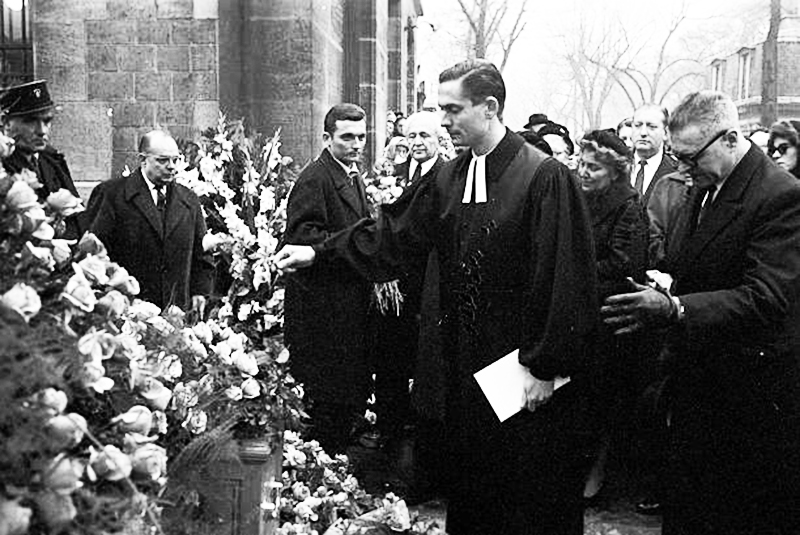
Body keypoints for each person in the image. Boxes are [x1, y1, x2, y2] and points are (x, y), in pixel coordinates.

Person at [275, 59, 599, 535]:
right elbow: (392, 234)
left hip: (524, 376)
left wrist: (545, 365)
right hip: (465, 374)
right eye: (440, 109)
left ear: (489, 108)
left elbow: (565, 278)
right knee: (472, 493)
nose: (444, 121)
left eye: (453, 109)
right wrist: (318, 253)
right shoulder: (449, 177)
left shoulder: (543, 177)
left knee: (527, 499)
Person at [602, 90, 800, 534]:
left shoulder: (781, 196)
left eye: (692, 157)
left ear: (730, 139)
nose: (683, 169)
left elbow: (766, 296)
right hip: (699, 388)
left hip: (749, 401)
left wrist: (675, 308)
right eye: (679, 157)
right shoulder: (709, 184)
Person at [283, 103, 374, 455]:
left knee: (344, 397)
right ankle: (327, 472)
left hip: (346, 306)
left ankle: (337, 466)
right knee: (329, 401)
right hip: (325, 312)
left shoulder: (349, 174)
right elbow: (302, 239)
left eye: (361, 137)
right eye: (347, 137)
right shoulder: (316, 178)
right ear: (326, 138)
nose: (356, 144)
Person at [576, 130, 649, 501]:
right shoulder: (578, 197)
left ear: (615, 172)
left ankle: (599, 470)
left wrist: (571, 269)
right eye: (582, 164)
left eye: (593, 168)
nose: (584, 173)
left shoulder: (629, 206)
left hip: (610, 316)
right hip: (578, 312)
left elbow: (623, 264)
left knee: (603, 399)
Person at [85, 130, 212, 313]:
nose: (171, 167)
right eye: (162, 160)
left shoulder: (189, 200)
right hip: (127, 309)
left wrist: (200, 291)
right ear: (143, 159)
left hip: (175, 311)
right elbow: (94, 251)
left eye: (175, 160)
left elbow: (202, 253)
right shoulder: (112, 195)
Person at [0, 80, 82, 236]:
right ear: (5, 122)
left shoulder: (52, 159)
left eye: (47, 121)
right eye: (30, 121)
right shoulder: (2, 167)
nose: (41, 131)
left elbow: (78, 219)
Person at [630, 104, 677, 204]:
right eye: (637, 125)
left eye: (651, 127)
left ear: (665, 133)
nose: (643, 132)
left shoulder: (677, 174)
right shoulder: (613, 168)